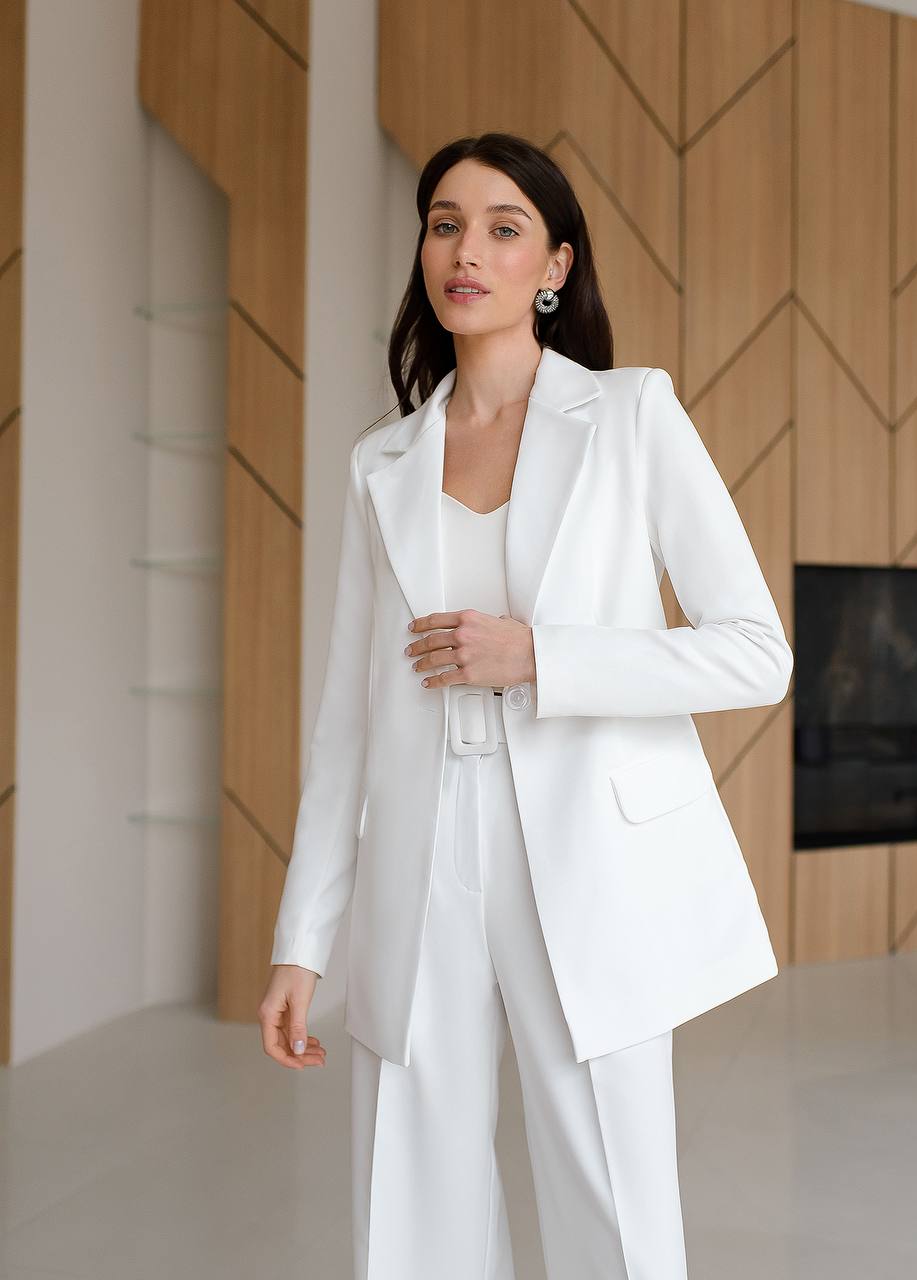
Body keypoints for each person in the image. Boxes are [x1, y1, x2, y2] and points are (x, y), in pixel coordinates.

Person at [258, 131, 793, 1279]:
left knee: (610, 1186)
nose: (467, 249)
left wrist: (542, 656)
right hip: (421, 850)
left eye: (503, 228)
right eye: (445, 222)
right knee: (407, 1189)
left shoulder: (632, 416)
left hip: (585, 851)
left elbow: (757, 653)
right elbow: (346, 725)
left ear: (553, 264)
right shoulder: (380, 461)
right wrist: (303, 939)